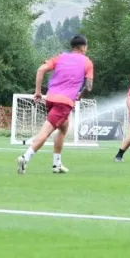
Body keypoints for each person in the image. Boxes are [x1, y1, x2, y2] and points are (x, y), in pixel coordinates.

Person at [18, 34, 94, 174]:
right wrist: (80, 95)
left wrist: (38, 92)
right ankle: (25, 157)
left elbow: (41, 70)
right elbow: (89, 87)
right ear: (83, 47)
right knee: (45, 132)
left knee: (64, 128)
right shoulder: (87, 62)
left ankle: (57, 164)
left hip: (51, 98)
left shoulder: (60, 57)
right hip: (64, 103)